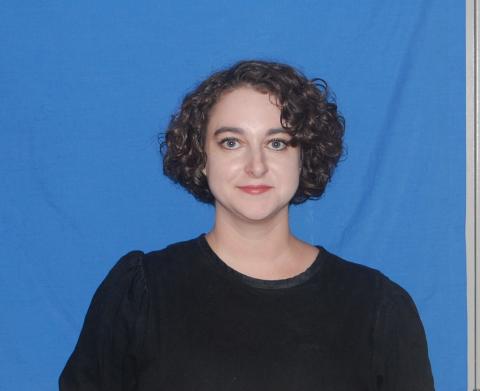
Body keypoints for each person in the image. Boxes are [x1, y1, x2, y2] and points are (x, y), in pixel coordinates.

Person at [59, 60, 435, 390]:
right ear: (201, 157)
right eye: (231, 142)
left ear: (304, 157)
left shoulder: (378, 308)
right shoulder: (139, 293)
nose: (256, 166)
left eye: (278, 143)